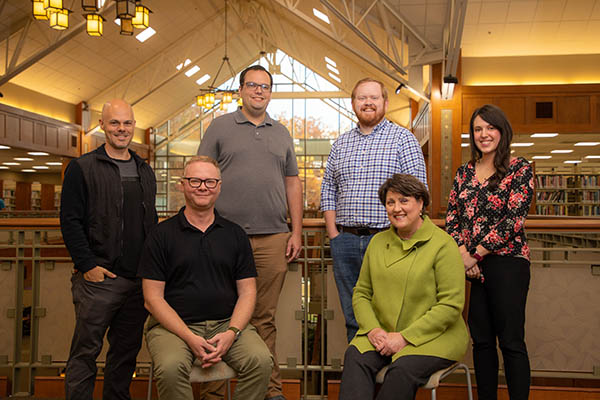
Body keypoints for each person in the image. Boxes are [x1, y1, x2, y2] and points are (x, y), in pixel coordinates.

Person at [197, 64, 302, 400]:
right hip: (223, 237)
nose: (259, 91)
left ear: (271, 93)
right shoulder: (219, 126)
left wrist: (295, 230)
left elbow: (292, 182)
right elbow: (200, 176)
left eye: (266, 86)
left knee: (263, 318)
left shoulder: (282, 132)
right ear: (240, 90)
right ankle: (213, 391)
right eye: (253, 85)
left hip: (273, 237)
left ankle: (268, 391)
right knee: (217, 313)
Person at [138, 156, 272, 400]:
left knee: (261, 361)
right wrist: (190, 338)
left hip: (225, 323)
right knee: (169, 368)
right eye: (195, 181)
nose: (203, 187)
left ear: (219, 186)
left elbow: (248, 292)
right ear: (182, 184)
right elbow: (152, 298)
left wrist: (232, 332)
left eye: (210, 182)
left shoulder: (235, 234)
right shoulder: (161, 235)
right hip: (174, 329)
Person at [60, 99, 158, 399]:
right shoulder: (82, 167)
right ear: (102, 125)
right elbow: (70, 220)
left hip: (137, 281)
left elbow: (149, 220)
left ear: (134, 125)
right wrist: (87, 265)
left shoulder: (145, 170)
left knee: (125, 356)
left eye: (127, 123)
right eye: (114, 123)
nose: (122, 129)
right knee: (85, 353)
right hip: (99, 279)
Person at [339, 173, 468, 400]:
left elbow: (450, 305)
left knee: (402, 370)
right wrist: (373, 329)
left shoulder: (444, 245)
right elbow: (361, 293)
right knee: (355, 356)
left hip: (433, 338)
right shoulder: (377, 243)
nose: (397, 208)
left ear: (421, 203)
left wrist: (405, 338)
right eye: (391, 202)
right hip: (383, 333)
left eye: (404, 200)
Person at [320, 77, 428, 342]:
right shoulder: (341, 144)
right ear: (353, 104)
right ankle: (362, 379)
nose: (368, 103)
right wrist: (334, 233)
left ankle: (391, 382)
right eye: (362, 98)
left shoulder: (404, 139)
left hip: (389, 240)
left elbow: (418, 191)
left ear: (385, 103)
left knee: (390, 316)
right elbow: (328, 190)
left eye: (374, 98)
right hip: (345, 241)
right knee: (353, 317)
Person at [446, 104, 534, 400]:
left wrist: (476, 253)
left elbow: (514, 220)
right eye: (478, 129)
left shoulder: (519, 168)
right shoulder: (463, 173)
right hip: (471, 267)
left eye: (490, 127)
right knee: (481, 342)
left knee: (510, 342)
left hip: (508, 264)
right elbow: (452, 218)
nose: (484, 134)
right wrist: (462, 254)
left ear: (502, 131)